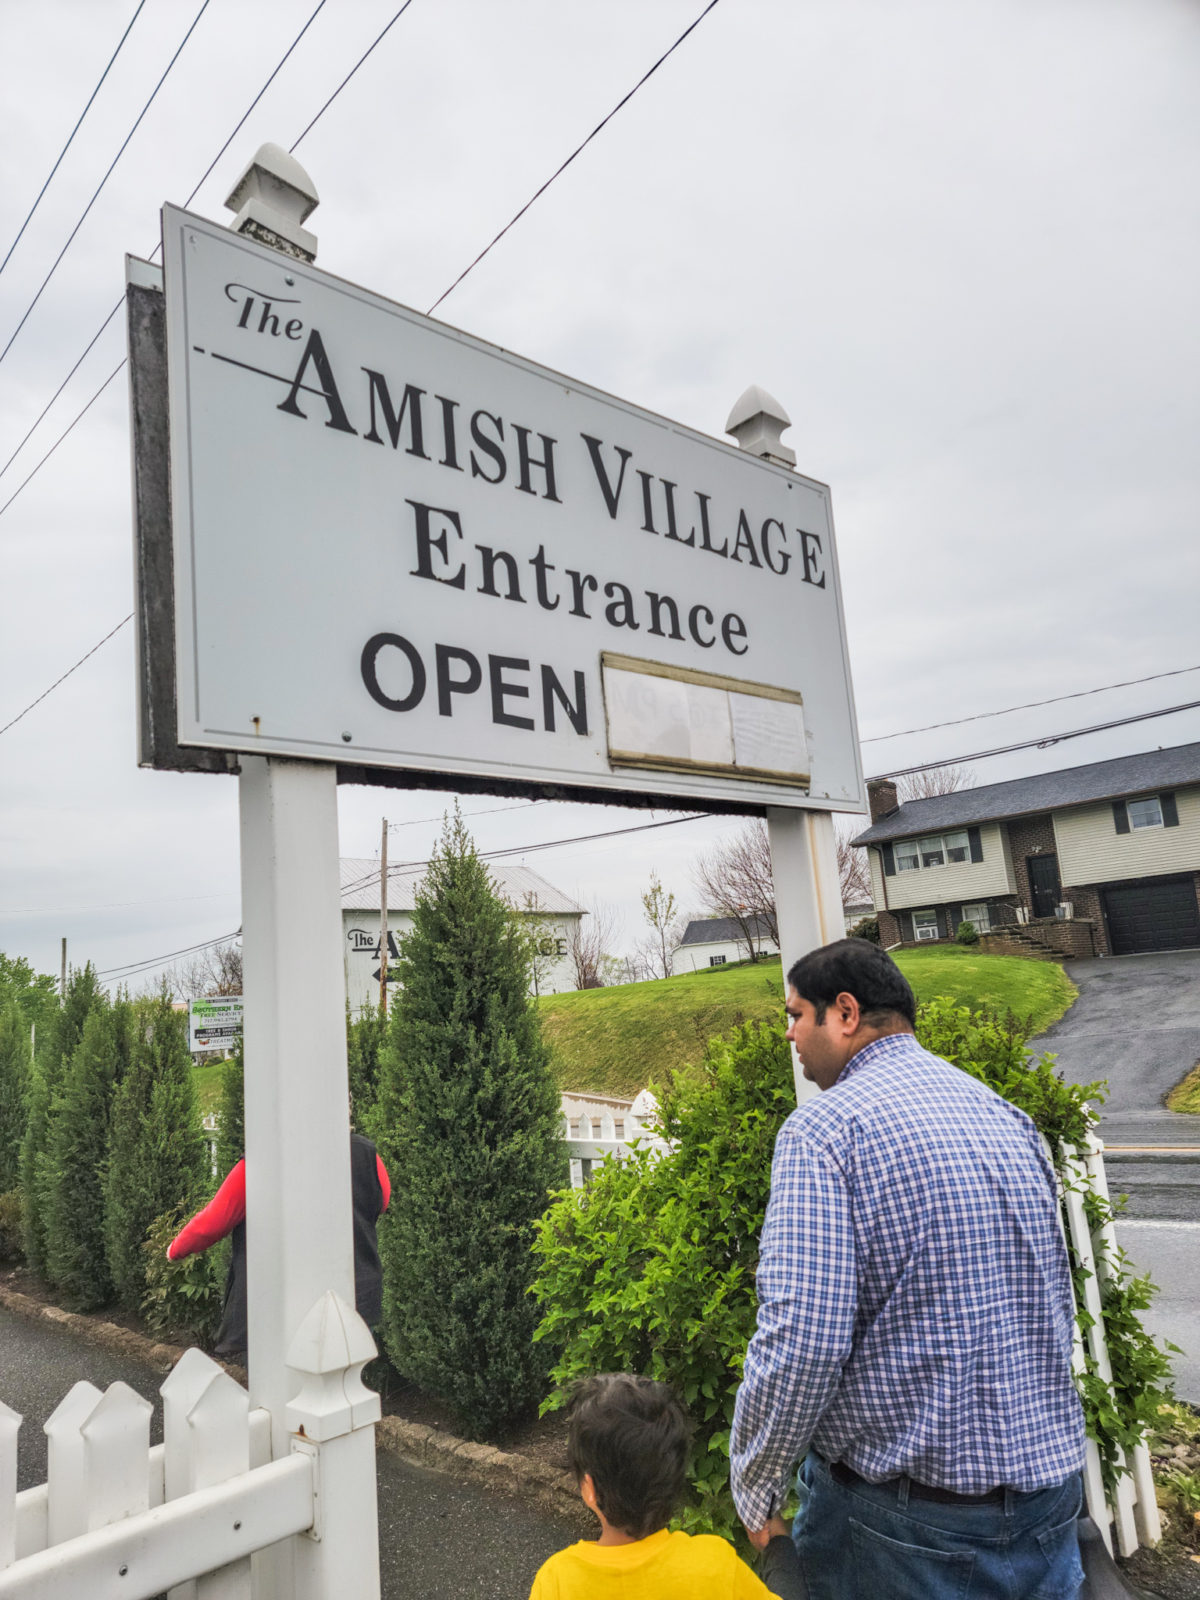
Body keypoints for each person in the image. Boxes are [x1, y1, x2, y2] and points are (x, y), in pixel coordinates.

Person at [730, 938, 1086, 1600]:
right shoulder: (1005, 1118)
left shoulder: (824, 1133)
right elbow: (1055, 1301)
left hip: (901, 1532)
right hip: (1049, 1506)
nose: (789, 1033)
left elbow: (804, 1336)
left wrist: (755, 1485)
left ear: (844, 1012)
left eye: (795, 1014)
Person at [529, 1373, 806, 1599]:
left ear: (589, 1488)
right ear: (676, 1475)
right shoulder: (713, 1565)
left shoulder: (557, 1581)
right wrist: (779, 1545)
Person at [168, 1129, 390, 1358]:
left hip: (280, 1306)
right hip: (354, 1297)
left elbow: (215, 1220)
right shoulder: (366, 1153)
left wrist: (175, 1249)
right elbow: (382, 1201)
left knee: (282, 1385)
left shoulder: (264, 1160)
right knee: (346, 1383)